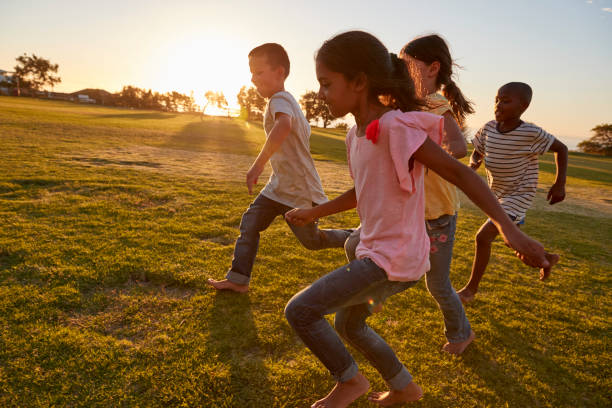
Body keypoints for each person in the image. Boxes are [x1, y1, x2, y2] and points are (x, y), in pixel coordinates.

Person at [283, 31, 554, 407]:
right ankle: (404, 388)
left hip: (393, 257)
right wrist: (315, 212)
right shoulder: (355, 136)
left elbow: (462, 173)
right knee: (349, 323)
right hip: (375, 251)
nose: (321, 93)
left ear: (360, 81)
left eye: (327, 83)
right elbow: (363, 191)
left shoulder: (397, 127)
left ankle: (350, 382)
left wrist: (510, 231)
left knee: (300, 310)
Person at [344, 34, 476, 355]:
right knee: (354, 244)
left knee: (437, 284)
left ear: (433, 68)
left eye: (408, 65)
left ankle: (461, 335)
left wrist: (420, 154)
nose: (402, 71)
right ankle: (372, 299)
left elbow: (458, 148)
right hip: (404, 210)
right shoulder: (401, 103)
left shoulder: (435, 104)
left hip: (435, 213)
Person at [207, 43, 351, 294]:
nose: (253, 79)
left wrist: (257, 165)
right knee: (250, 222)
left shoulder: (280, 100)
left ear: (280, 72)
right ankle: (239, 279)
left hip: (298, 191)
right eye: (251, 73)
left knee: (313, 242)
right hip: (278, 187)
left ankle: (357, 238)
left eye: (259, 72)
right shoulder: (288, 101)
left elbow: (283, 126)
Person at [456, 82, 567, 304]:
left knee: (482, 237)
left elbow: (561, 148)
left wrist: (559, 184)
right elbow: (478, 150)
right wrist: (474, 162)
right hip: (497, 195)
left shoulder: (530, 132)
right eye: (497, 99)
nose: (498, 105)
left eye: (506, 101)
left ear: (523, 106)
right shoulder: (488, 128)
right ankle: (546, 259)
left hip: (518, 195)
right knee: (511, 240)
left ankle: (470, 290)